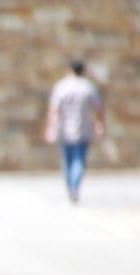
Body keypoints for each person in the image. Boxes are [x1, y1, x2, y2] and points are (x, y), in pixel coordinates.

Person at [44, 59, 105, 203]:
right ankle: (74, 187)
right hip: (83, 129)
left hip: (63, 130)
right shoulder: (87, 87)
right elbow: (99, 108)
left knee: (66, 162)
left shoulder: (61, 87)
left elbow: (53, 110)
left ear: (69, 70)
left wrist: (50, 128)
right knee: (79, 161)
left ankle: (71, 187)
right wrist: (99, 124)